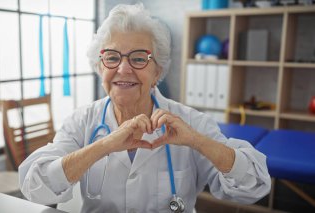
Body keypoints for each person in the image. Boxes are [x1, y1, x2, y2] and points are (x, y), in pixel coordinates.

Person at [19, 3, 271, 213]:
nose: (123, 69)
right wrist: (104, 146)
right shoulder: (81, 122)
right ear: (100, 67)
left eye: (139, 58)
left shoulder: (191, 122)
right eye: (112, 57)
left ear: (157, 70)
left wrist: (196, 141)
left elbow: (254, 185)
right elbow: (36, 187)